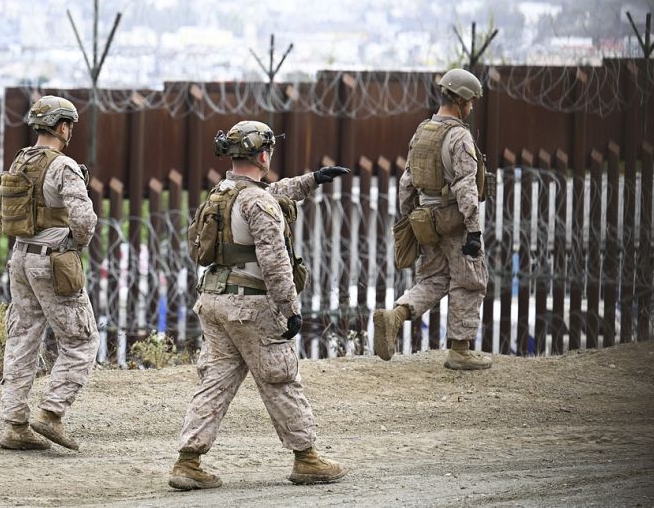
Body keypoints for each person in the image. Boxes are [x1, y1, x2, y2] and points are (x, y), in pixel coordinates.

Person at [169, 120, 350, 490]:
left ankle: (188, 461)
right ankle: (306, 458)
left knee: (215, 381)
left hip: (215, 302)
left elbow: (273, 192)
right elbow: (275, 262)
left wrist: (312, 180)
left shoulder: (223, 192)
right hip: (251, 307)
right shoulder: (259, 203)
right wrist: (291, 309)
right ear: (263, 155)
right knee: (280, 377)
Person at [373, 69, 493, 370]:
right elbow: (465, 186)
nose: (472, 107)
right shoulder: (459, 136)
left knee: (434, 279)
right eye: (471, 101)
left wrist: (410, 220)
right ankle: (460, 351)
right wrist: (474, 231)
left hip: (425, 221)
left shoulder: (423, 131)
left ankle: (396, 315)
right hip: (454, 222)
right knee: (470, 281)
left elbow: (407, 181)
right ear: (462, 100)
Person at [0, 95, 99, 451]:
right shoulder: (63, 166)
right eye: (69, 125)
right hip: (52, 260)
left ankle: (15, 425)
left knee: (22, 337)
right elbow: (84, 220)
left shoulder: (21, 160)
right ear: (62, 127)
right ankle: (52, 413)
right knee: (82, 340)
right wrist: (74, 244)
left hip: (20, 257)